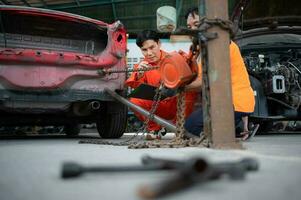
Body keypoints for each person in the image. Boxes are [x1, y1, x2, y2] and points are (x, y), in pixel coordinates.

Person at [183, 7, 255, 140]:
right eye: (189, 26)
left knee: (191, 127)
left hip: (234, 102)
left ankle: (230, 129)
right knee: (190, 126)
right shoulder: (200, 47)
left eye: (196, 24)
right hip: (225, 102)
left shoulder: (221, 45)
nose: (191, 29)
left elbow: (205, 81)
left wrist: (180, 88)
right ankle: (236, 126)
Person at [125, 30, 197, 140]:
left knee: (189, 91)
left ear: (159, 43)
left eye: (152, 47)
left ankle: (182, 127)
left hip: (176, 104)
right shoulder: (141, 66)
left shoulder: (174, 58)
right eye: (144, 50)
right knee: (134, 100)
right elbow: (135, 88)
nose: (149, 53)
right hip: (158, 106)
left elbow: (191, 73)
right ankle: (155, 129)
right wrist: (139, 75)